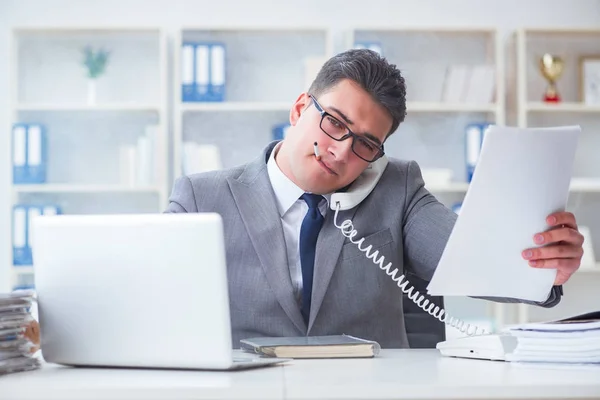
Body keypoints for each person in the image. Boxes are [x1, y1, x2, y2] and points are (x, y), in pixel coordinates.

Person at [166, 49, 584, 348]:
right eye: (334, 123)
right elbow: (152, 302)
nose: (343, 151)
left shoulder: (396, 188)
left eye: (367, 144)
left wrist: (544, 268)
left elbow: (470, 258)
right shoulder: (202, 196)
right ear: (299, 109)